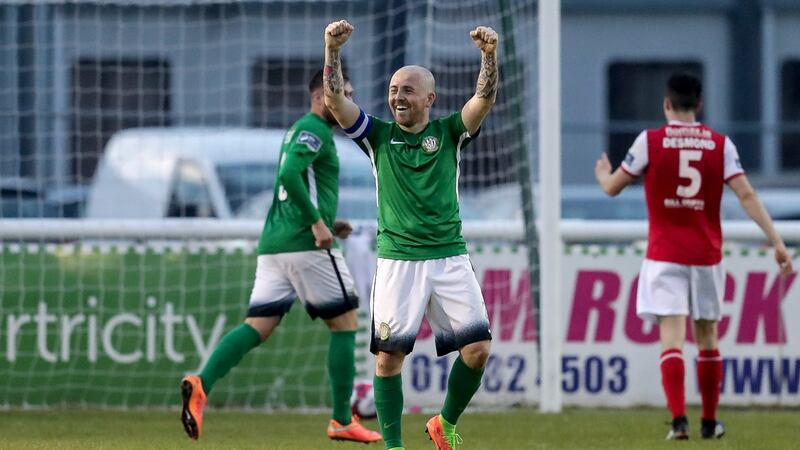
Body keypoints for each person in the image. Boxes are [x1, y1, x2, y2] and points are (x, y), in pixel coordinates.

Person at [322, 19, 499, 450]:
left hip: (449, 257)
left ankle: (445, 422)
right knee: (388, 359)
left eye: (407, 90)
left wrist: (489, 56)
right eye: (393, 90)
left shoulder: (449, 133)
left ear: (429, 98)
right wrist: (332, 50)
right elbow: (334, 100)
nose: (397, 97)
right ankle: (394, 446)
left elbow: (483, 99)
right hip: (399, 261)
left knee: (477, 351)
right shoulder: (377, 137)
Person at [179, 69, 382, 444]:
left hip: (274, 245)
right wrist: (319, 226)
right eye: (345, 95)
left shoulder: (301, 129)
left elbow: (295, 184)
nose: (350, 103)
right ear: (322, 97)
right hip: (305, 245)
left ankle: (201, 384)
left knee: (258, 326)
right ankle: (341, 419)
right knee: (346, 323)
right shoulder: (316, 130)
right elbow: (290, 174)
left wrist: (328, 221)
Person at [595, 73, 794, 440]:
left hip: (665, 254)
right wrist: (777, 241)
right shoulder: (720, 145)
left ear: (666, 104)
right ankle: (708, 421)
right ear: (699, 105)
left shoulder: (650, 142)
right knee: (707, 337)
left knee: (672, 338)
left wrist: (603, 173)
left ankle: (678, 422)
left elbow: (611, 188)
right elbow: (747, 195)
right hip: (705, 256)